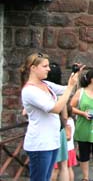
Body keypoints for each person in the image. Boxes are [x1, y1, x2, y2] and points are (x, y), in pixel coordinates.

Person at [20, 53, 79, 181]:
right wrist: (69, 87)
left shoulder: (46, 84)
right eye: (45, 66)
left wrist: (75, 76)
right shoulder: (30, 90)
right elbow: (56, 108)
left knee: (46, 178)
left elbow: (68, 90)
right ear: (33, 68)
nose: (49, 69)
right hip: (39, 144)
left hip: (51, 141)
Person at [46, 62, 69, 181]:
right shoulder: (60, 92)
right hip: (59, 130)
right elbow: (64, 116)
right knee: (63, 166)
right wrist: (65, 128)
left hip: (46, 131)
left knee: (51, 167)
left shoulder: (43, 90)